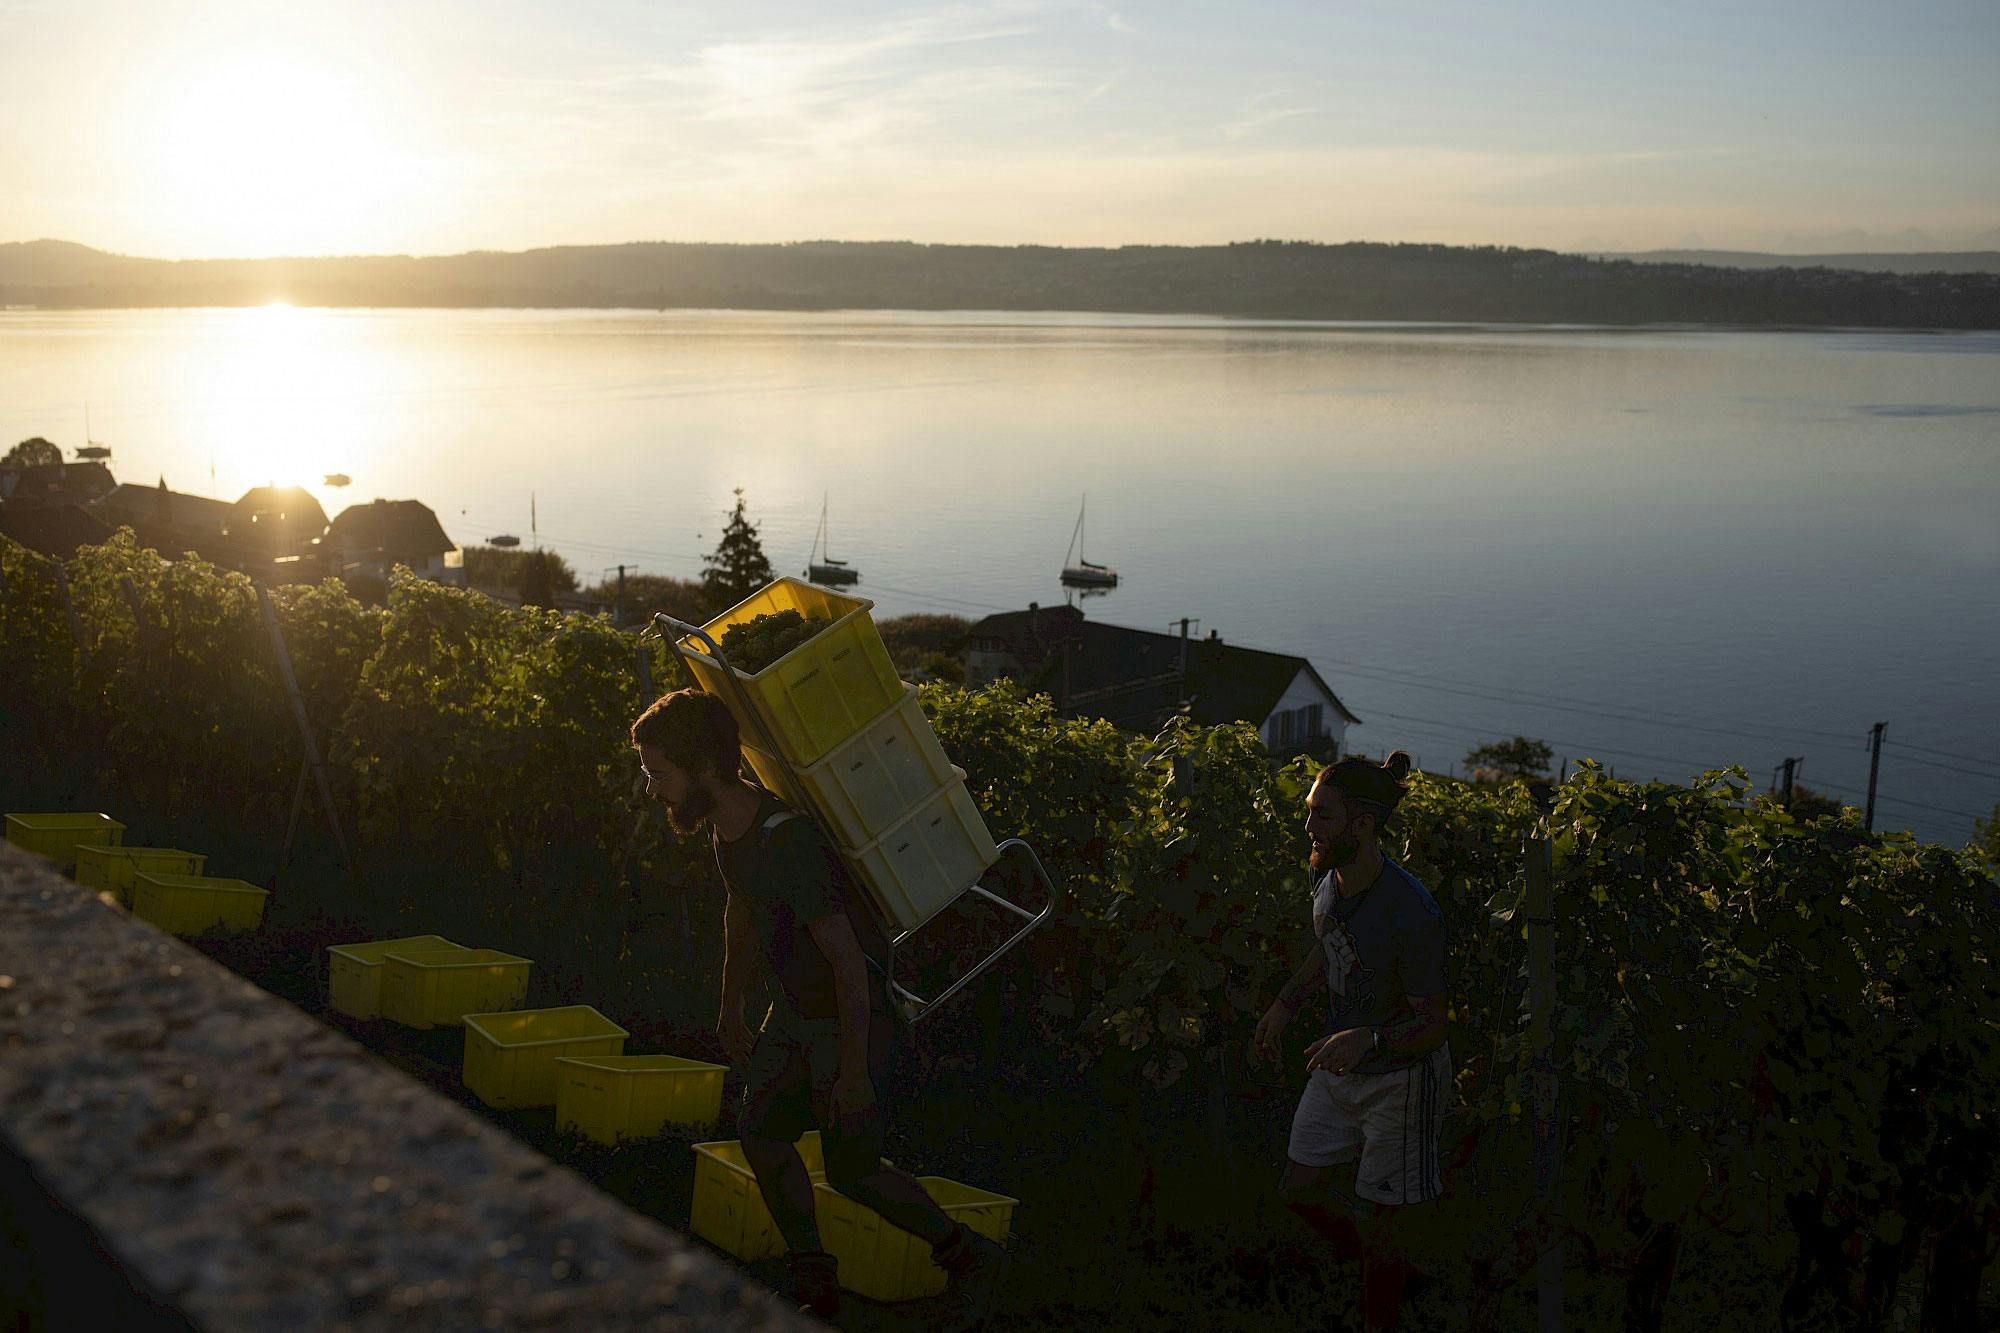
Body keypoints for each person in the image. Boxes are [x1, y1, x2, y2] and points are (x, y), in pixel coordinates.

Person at [631, 688, 1009, 1324]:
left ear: (704, 767)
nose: (653, 788)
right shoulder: (730, 834)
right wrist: (730, 1006)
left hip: (847, 1021)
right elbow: (742, 912)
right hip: (796, 1015)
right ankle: (815, 1281)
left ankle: (970, 1257)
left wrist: (855, 1069)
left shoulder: (788, 843)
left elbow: (847, 963)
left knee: (853, 1169)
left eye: (659, 773)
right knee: (763, 1135)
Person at [1252, 750, 1452, 1333]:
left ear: (1363, 825)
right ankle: (1383, 1264)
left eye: (1322, 816)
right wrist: (1285, 1005)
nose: (1309, 826)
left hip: (1402, 1081)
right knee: (1298, 1191)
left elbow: (1434, 1024)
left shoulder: (1411, 912)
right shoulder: (1327, 871)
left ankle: (1384, 1293)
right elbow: (1330, 944)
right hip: (1342, 1066)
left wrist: (1369, 1038)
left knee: (1386, 1229)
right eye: (1311, 813)